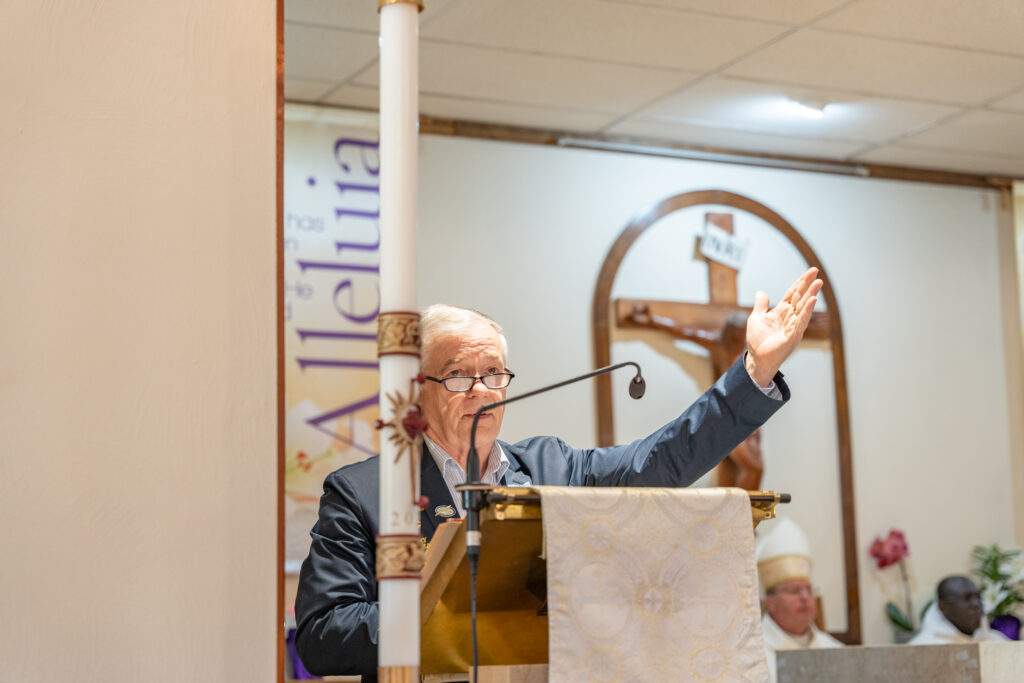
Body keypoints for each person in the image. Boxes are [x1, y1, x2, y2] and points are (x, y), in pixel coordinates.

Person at [295, 268, 824, 679]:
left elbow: (660, 461)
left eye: (494, 374)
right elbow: (321, 635)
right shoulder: (365, 492)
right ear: (419, 388)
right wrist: (441, 607)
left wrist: (755, 372)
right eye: (459, 375)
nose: (483, 391)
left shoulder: (551, 468)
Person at [757, 516, 843, 682]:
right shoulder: (752, 656)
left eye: (808, 590)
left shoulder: (835, 650)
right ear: (770, 601)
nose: (805, 597)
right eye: (794, 590)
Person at [909, 575, 1010, 645]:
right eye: (967, 598)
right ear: (943, 606)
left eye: (978, 597)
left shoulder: (996, 640)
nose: (976, 604)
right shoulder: (924, 647)